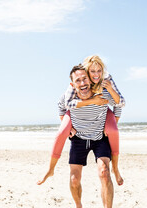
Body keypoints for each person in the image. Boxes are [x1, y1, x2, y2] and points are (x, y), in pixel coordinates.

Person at [38, 64, 120, 208]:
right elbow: (61, 106)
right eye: (78, 81)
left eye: (84, 79)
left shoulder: (101, 92)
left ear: (90, 79)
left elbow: (118, 103)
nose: (82, 83)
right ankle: (78, 205)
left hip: (99, 138)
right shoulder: (68, 97)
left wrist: (112, 123)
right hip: (78, 140)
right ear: (73, 84)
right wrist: (67, 125)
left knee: (104, 172)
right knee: (74, 179)